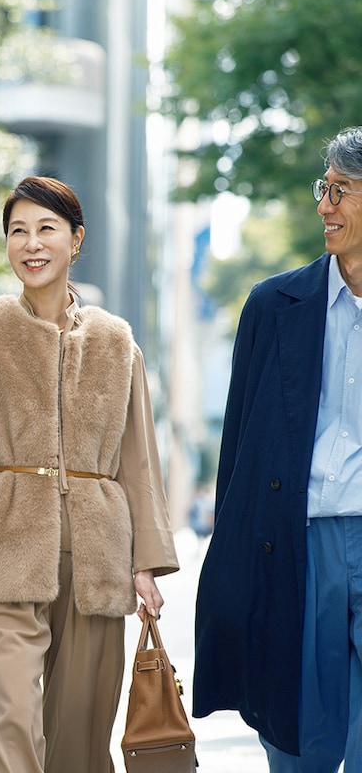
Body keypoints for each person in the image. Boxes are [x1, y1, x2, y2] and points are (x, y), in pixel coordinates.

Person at [0, 175, 179, 773]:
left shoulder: (118, 343)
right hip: (0, 546)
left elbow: (138, 460)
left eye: (46, 229)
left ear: (76, 240)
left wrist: (145, 561)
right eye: (17, 231)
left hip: (97, 555)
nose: (31, 244)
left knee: (80, 733)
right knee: (13, 716)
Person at [193, 126, 362, 771]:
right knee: (299, 739)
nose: (325, 205)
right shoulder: (274, 305)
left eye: (341, 192)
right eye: (324, 188)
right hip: (300, 544)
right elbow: (238, 451)